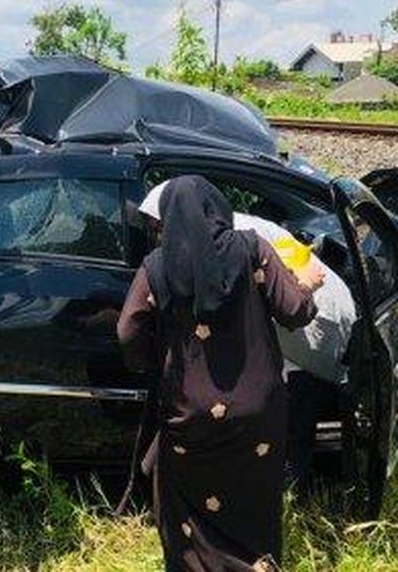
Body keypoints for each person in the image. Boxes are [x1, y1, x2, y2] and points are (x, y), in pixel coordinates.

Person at [119, 176, 320, 571]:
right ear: (218, 209)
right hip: (258, 411)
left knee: (188, 509)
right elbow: (295, 311)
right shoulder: (252, 248)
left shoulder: (157, 267)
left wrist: (153, 361)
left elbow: (128, 331)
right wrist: (307, 284)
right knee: (253, 500)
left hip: (190, 413)